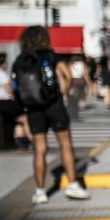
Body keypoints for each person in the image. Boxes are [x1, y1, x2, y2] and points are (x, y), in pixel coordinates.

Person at [12, 26, 91, 204]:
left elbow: (15, 86)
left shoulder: (20, 60)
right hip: (53, 105)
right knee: (65, 144)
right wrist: (61, 94)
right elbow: (67, 75)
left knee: (39, 149)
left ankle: (40, 192)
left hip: (33, 108)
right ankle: (72, 185)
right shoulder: (49, 55)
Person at [0, 53, 30, 150]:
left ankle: (9, 143)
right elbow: (9, 90)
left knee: (11, 121)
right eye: (5, 62)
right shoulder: (1, 74)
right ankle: (28, 141)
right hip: (5, 102)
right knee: (23, 118)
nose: (6, 64)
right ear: (2, 64)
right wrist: (15, 101)